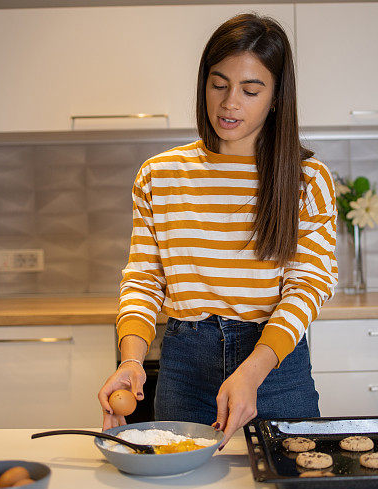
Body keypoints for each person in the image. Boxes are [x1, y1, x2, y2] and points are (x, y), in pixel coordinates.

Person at [98, 13, 338, 449]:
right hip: (184, 368)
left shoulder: (306, 179)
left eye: (250, 90)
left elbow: (310, 282)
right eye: (218, 84)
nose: (230, 103)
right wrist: (130, 359)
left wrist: (252, 371)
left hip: (274, 367)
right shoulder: (160, 175)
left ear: (276, 96)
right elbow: (144, 277)